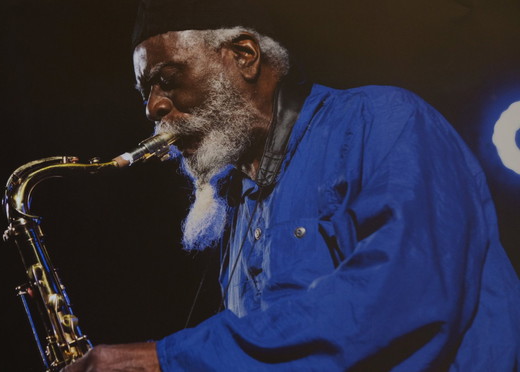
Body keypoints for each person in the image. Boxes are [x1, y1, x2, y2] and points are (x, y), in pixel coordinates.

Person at [63, 0, 520, 370]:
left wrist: (168, 361)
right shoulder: (238, 206)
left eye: (167, 80)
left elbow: (402, 300)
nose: (153, 109)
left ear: (244, 56)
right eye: (145, 93)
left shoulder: (382, 120)